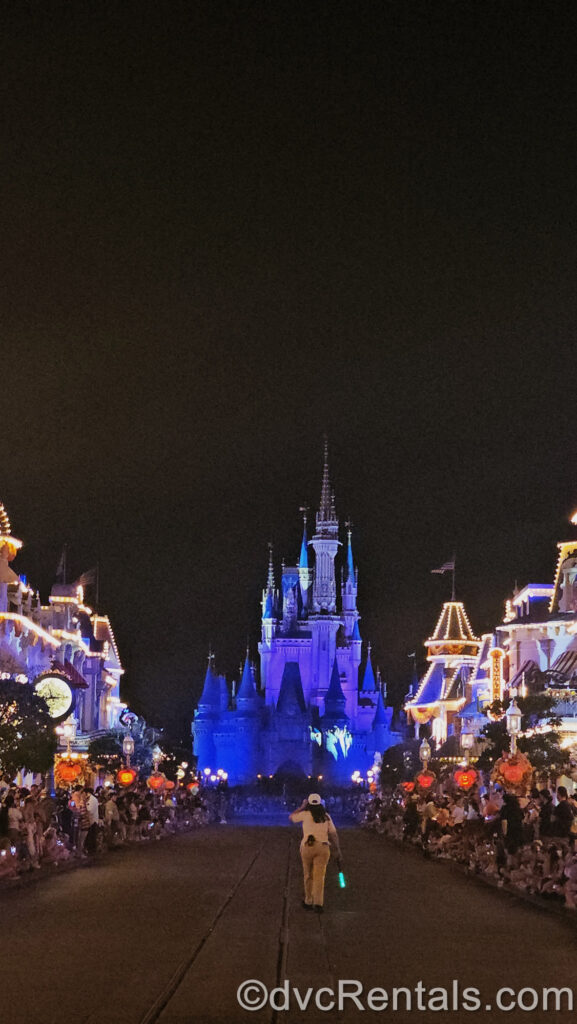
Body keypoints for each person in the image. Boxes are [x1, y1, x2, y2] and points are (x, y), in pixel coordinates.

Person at [289, 794, 341, 913]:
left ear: (309, 803)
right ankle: (318, 903)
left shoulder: (305, 815)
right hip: (323, 847)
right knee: (319, 876)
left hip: (308, 846)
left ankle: (308, 901)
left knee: (308, 875)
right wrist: (337, 849)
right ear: (320, 803)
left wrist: (302, 806)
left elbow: (291, 817)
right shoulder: (326, 816)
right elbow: (333, 834)